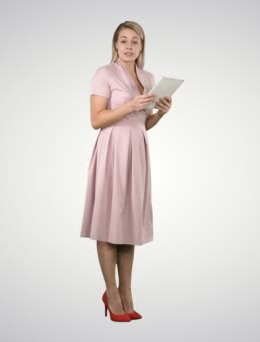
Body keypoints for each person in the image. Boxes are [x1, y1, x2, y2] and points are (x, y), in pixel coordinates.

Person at [80, 21, 173, 322]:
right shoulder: (104, 74)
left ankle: (127, 292)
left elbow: (141, 124)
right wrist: (131, 104)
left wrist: (159, 112)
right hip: (112, 151)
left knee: (129, 225)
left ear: (142, 46)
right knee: (109, 222)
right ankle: (113, 293)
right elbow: (97, 119)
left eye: (135, 41)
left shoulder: (147, 77)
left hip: (136, 152)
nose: (129, 46)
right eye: (123, 41)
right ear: (115, 45)